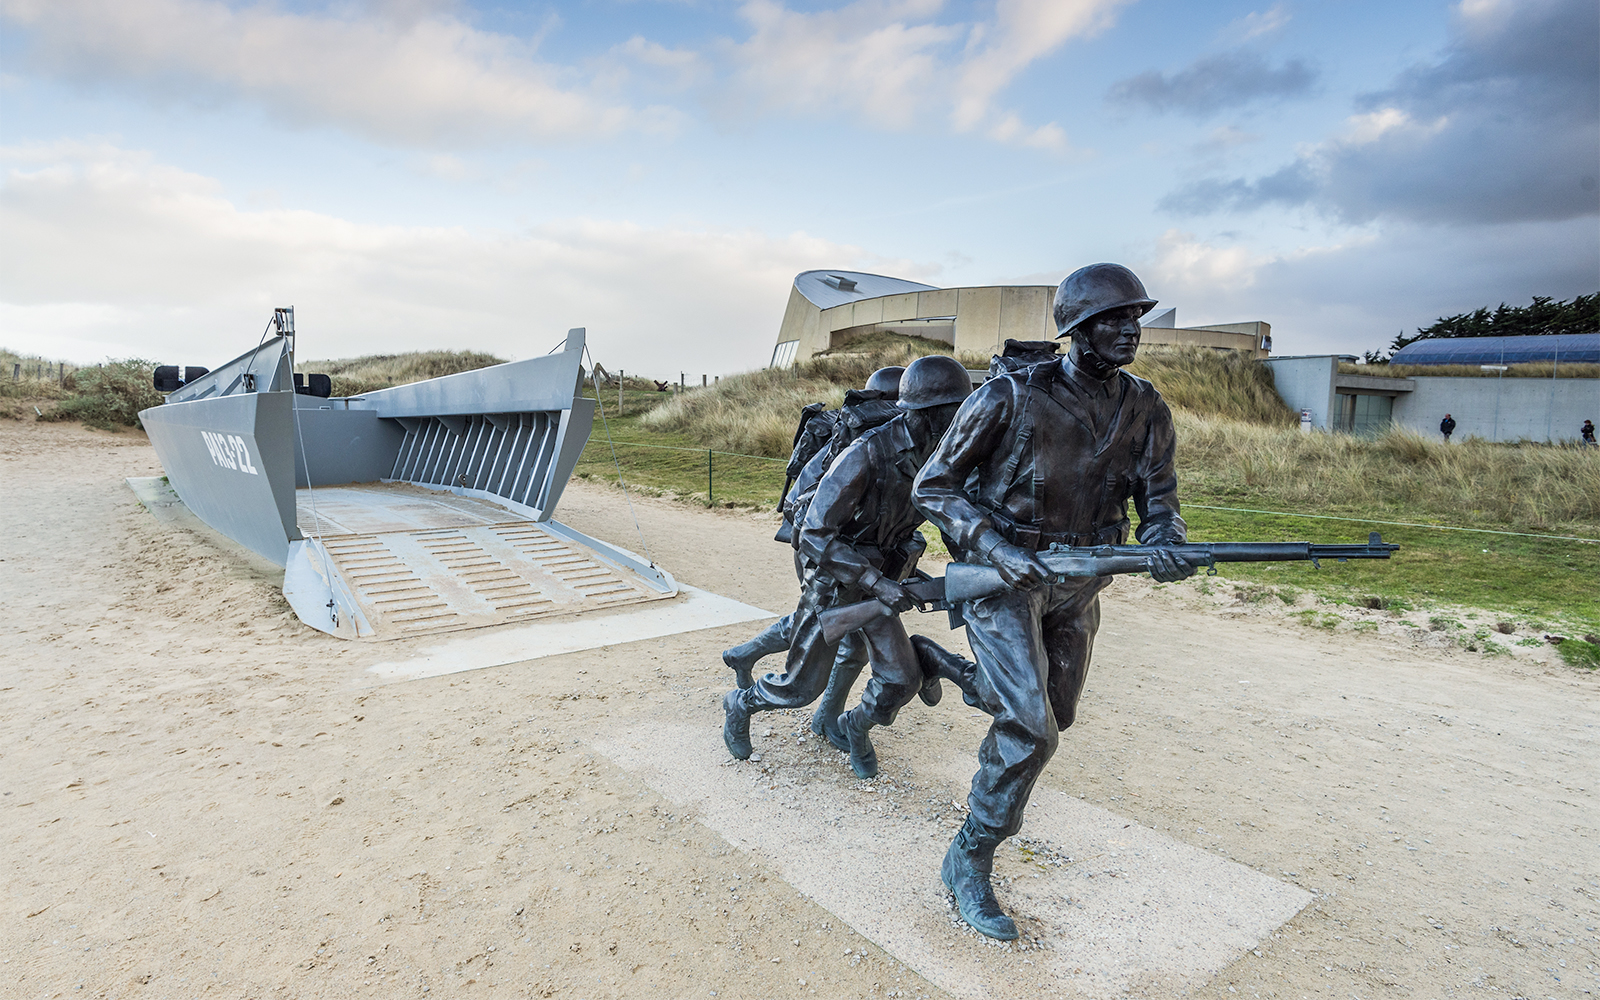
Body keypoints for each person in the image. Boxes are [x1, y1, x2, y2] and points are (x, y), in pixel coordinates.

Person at [912, 263, 1199, 940]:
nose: (1130, 330)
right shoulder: (1010, 394)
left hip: (1081, 582)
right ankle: (969, 857)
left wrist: (1166, 543)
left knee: (1054, 714)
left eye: (1135, 318)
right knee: (1031, 730)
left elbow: (1160, 502)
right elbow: (934, 486)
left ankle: (954, 670)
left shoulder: (1146, 407)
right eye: (1113, 319)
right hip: (1003, 580)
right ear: (1077, 328)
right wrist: (995, 547)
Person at [722, 355, 973, 779]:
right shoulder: (866, 454)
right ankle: (740, 703)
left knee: (899, 678)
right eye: (956, 410)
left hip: (883, 584)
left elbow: (950, 516)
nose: (965, 419)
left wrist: (972, 567)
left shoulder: (939, 457)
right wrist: (874, 580)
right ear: (927, 412)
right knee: (799, 687)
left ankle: (853, 728)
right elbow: (815, 535)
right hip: (836, 584)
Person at [721, 367, 907, 749]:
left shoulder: (907, 449)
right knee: (823, 638)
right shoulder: (851, 444)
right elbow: (802, 510)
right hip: (826, 559)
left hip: (870, 563)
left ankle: (822, 713)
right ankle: (751, 699)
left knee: (844, 638)